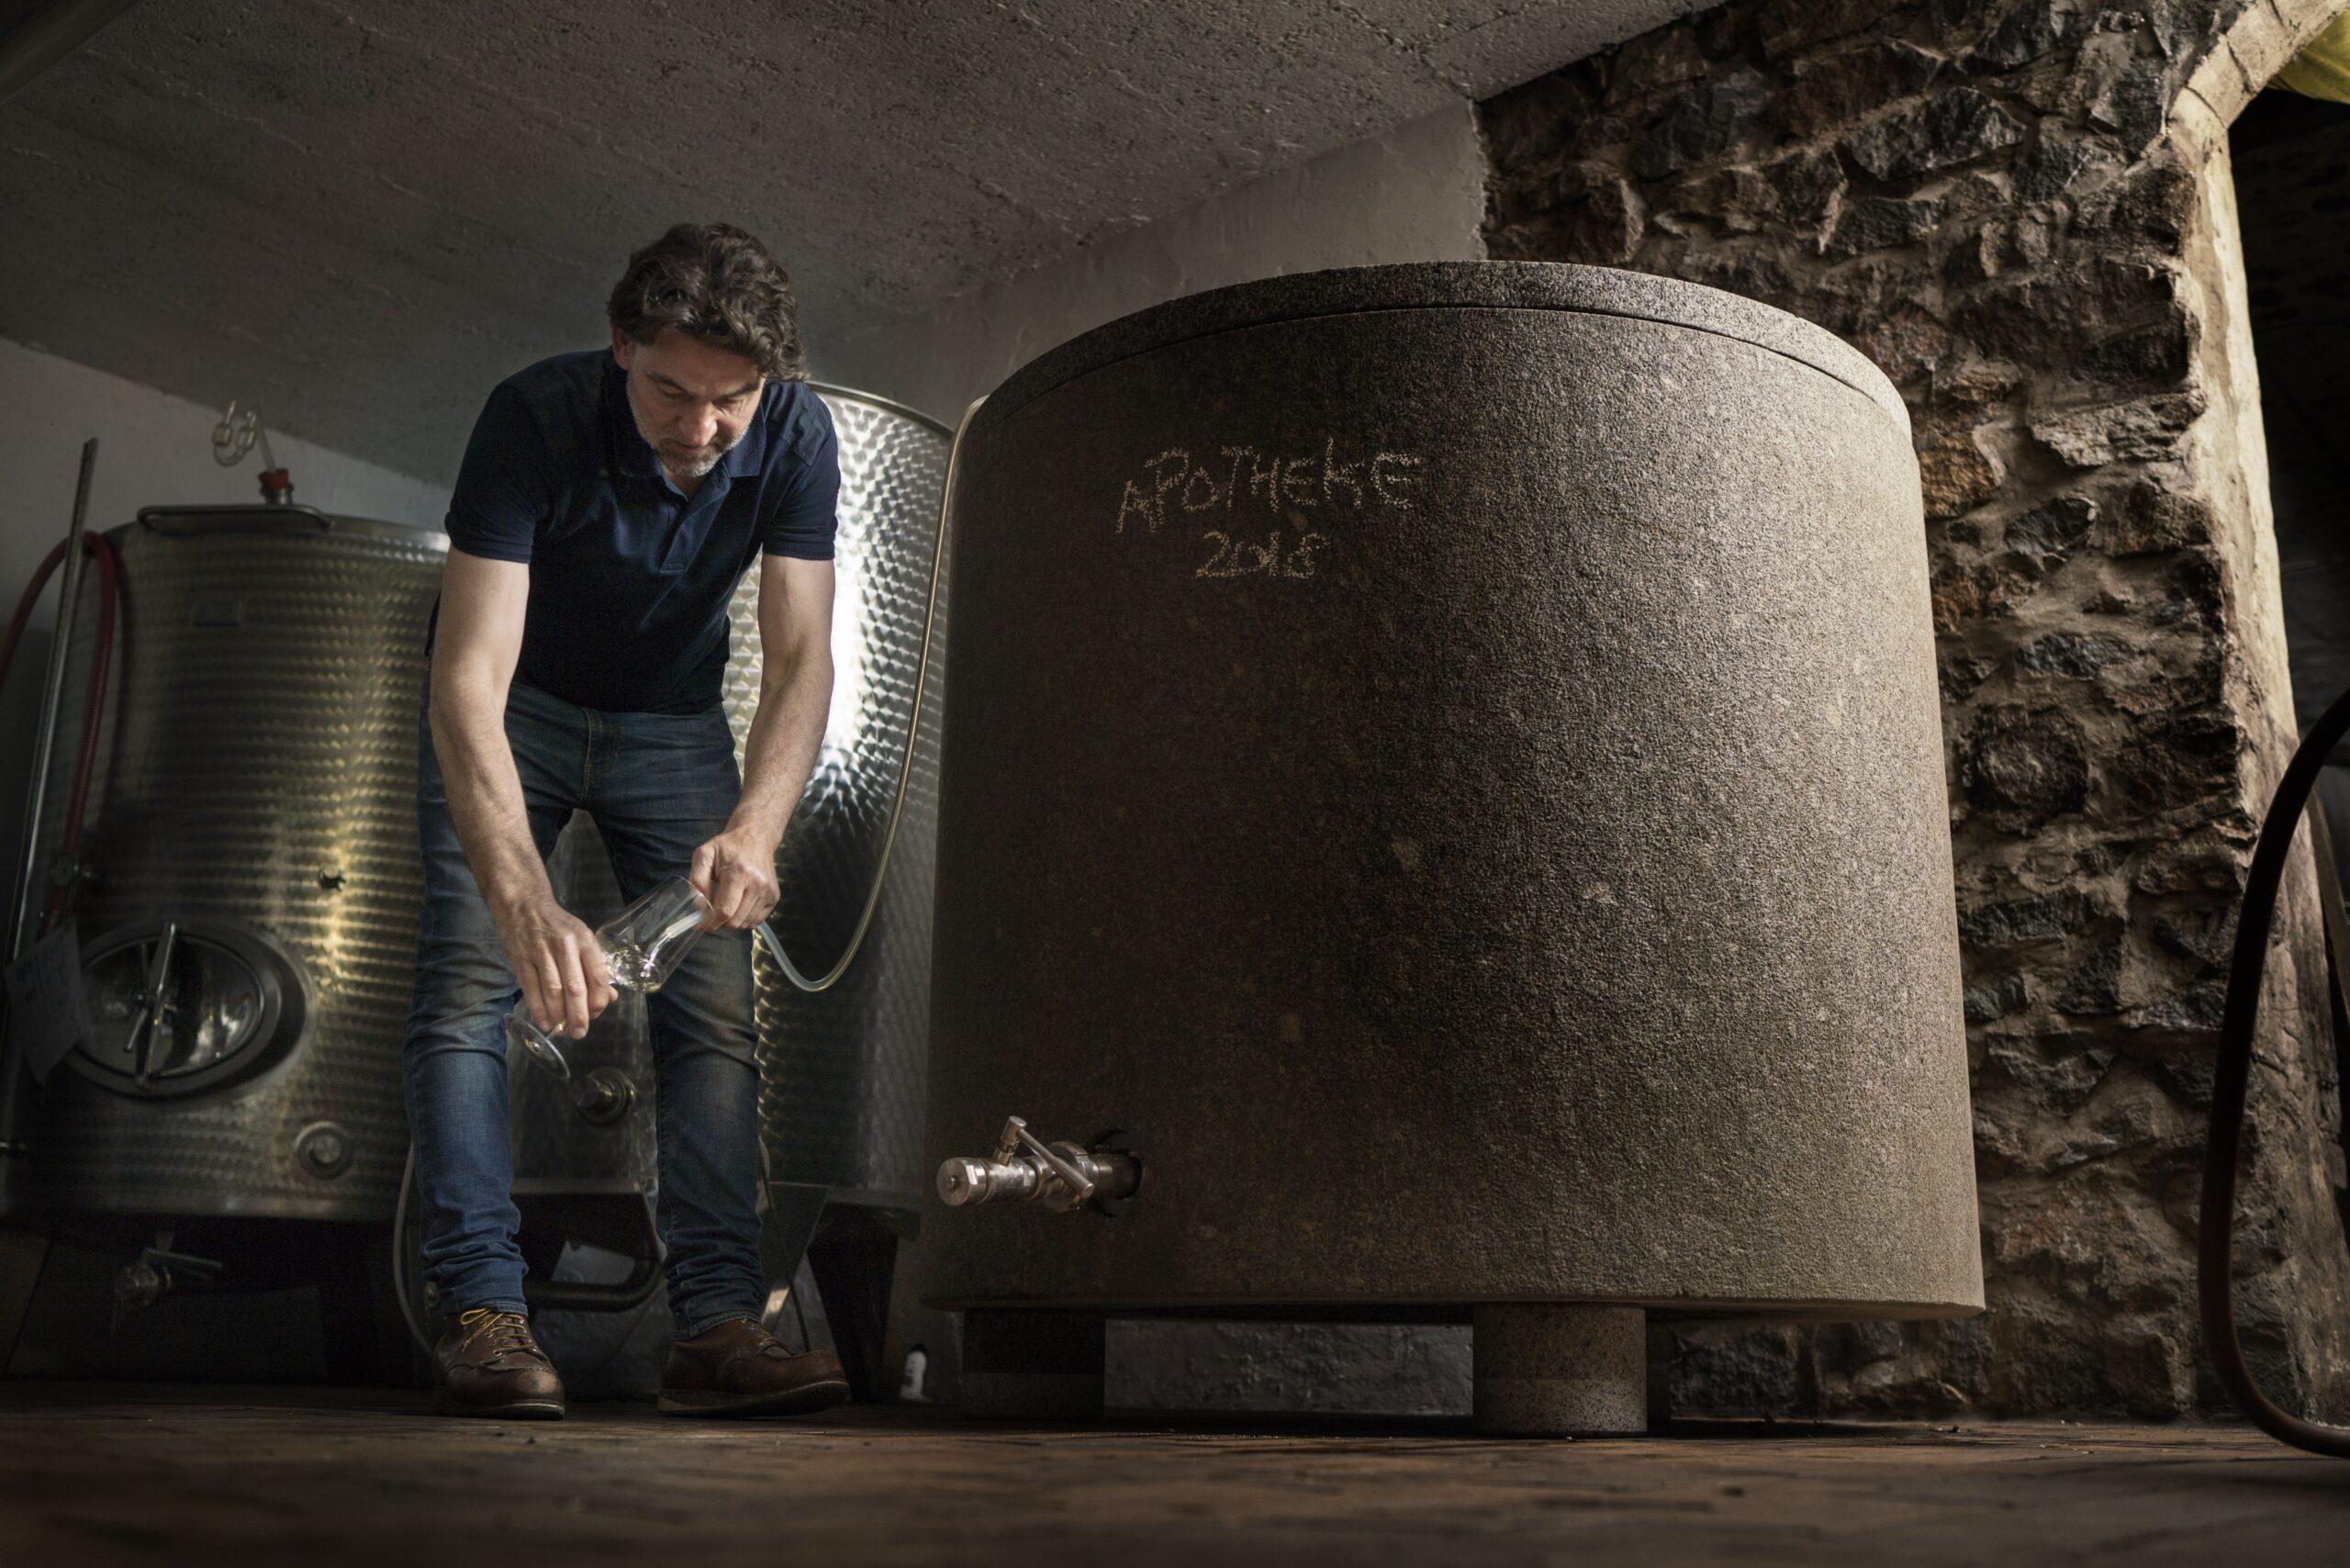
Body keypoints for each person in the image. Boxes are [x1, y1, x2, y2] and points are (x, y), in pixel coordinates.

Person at [404, 222, 846, 1419]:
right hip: (519, 706)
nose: (700, 431)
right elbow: (466, 677)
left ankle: (715, 1327)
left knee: (714, 1016)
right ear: (620, 347)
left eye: (731, 401)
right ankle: (483, 1316)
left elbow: (802, 656)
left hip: (673, 722)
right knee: (467, 991)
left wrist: (757, 828)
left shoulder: (799, 435)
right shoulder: (533, 418)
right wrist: (521, 897)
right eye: (671, 392)